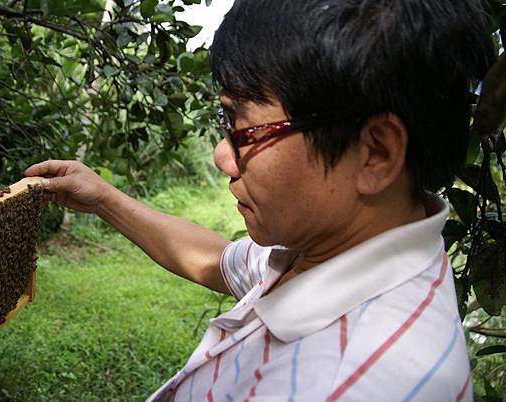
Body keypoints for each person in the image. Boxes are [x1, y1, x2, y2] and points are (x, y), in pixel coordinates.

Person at [25, 0, 496, 400]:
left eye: (241, 125)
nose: (221, 155)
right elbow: (217, 259)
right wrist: (103, 197)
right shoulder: (349, 246)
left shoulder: (345, 385)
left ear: (375, 153)